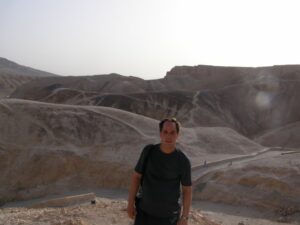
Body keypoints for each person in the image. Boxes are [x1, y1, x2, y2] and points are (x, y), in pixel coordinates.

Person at [127, 118, 192, 225]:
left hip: (168, 218)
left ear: (178, 135)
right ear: (160, 133)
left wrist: (184, 217)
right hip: (144, 214)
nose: (168, 136)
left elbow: (187, 190)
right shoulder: (148, 151)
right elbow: (136, 177)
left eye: (172, 132)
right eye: (165, 132)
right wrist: (130, 203)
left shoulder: (183, 161)